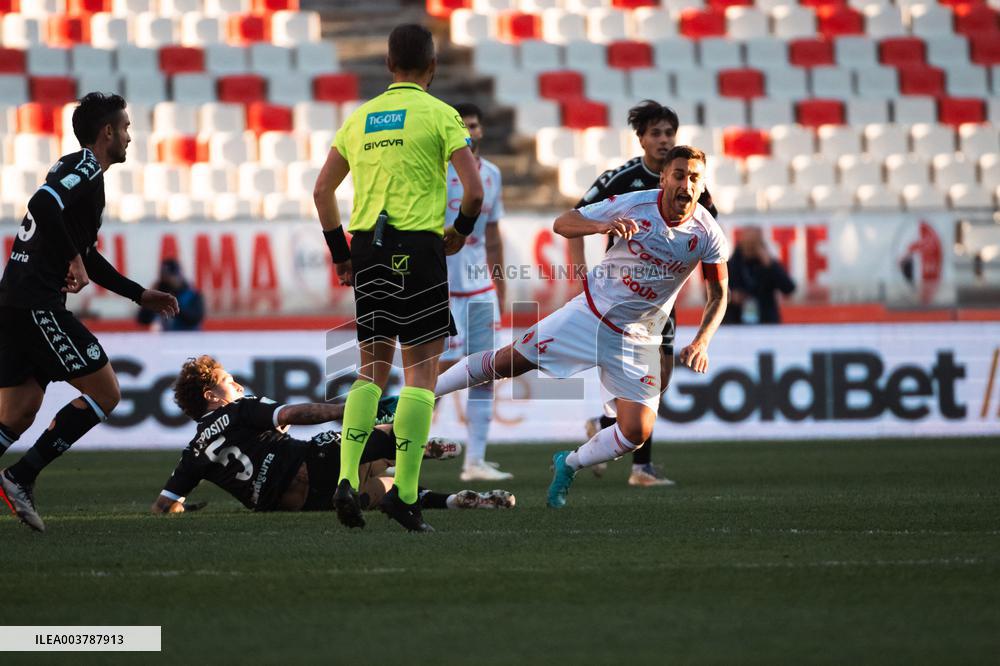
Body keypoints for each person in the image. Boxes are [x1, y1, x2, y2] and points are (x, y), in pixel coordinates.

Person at [434, 145, 729, 509]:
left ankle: (569, 464)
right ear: (664, 178)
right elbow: (563, 223)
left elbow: (719, 294)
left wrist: (702, 341)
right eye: (679, 175)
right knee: (506, 363)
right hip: (588, 315)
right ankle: (422, 394)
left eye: (694, 178)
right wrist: (601, 225)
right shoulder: (634, 204)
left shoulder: (708, 232)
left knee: (636, 431)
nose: (686, 185)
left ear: (702, 184)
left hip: (638, 339)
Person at [313, 24, 484, 532]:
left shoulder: (360, 118)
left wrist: (341, 254)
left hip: (369, 250)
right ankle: (404, 496)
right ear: (433, 67)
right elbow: (474, 191)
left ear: (388, 65)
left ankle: (347, 477)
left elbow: (322, 192)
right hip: (419, 249)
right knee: (421, 377)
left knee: (370, 372)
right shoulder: (441, 114)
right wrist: (460, 232)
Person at [0, 92, 179, 533]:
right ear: (107, 132)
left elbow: (86, 253)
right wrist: (73, 258)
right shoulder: (85, 166)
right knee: (106, 392)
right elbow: (42, 205)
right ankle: (20, 476)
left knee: (19, 412)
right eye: (126, 128)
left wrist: (138, 295)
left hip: (17, 302)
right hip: (35, 304)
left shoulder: (76, 171)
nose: (130, 138)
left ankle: (19, 476)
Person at [151, 356, 514, 516]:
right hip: (310, 463)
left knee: (384, 489)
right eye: (230, 383)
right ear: (211, 396)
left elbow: (163, 506)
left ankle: (453, 501)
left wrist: (182, 508)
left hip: (296, 504)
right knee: (375, 435)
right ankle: (409, 447)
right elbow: (292, 414)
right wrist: (349, 411)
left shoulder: (193, 452)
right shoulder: (239, 409)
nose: (239, 387)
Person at [571, 100, 719, 488]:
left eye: (669, 133)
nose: (664, 139)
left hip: (662, 297)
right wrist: (579, 274)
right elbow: (575, 219)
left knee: (661, 378)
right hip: (622, 297)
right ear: (641, 139)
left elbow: (708, 229)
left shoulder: (691, 184)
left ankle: (604, 425)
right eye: (656, 133)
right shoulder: (621, 179)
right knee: (645, 378)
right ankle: (641, 469)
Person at [439, 102, 511, 482]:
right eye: (462, 126)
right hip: (442, 290)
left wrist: (501, 285)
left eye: (473, 125)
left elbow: (494, 237)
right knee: (431, 374)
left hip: (481, 289)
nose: (469, 131)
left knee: (485, 371)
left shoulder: (493, 175)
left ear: (481, 131)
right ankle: (403, 456)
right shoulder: (436, 171)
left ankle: (475, 462)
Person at [723, 226, 795, 325]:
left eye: (753, 244)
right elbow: (711, 294)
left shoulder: (769, 265)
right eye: (748, 243)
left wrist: (770, 265)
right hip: (735, 322)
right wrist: (731, 297)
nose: (750, 247)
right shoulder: (730, 266)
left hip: (766, 322)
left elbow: (788, 288)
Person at [137, 258, 204, 331]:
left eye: (171, 276)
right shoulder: (160, 294)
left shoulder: (193, 295)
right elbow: (143, 319)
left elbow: (194, 319)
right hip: (167, 336)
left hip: (189, 336)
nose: (169, 281)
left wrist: (174, 300)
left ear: (179, 275)